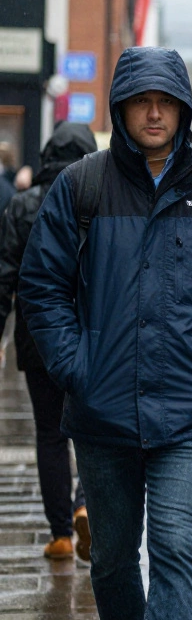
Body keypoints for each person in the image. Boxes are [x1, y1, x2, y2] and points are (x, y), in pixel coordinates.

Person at [18, 46, 192, 620]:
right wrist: (76, 365)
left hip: (188, 410)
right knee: (109, 557)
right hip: (102, 406)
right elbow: (41, 286)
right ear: (121, 109)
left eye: (166, 102)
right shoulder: (83, 186)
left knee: (173, 547)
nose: (154, 113)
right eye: (142, 101)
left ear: (184, 109)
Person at [0, 122, 97, 562]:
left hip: (36, 335)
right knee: (93, 429)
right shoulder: (98, 200)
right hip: (92, 334)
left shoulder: (22, 205)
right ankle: (84, 502)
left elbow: (5, 276)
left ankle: (60, 534)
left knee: (49, 434)